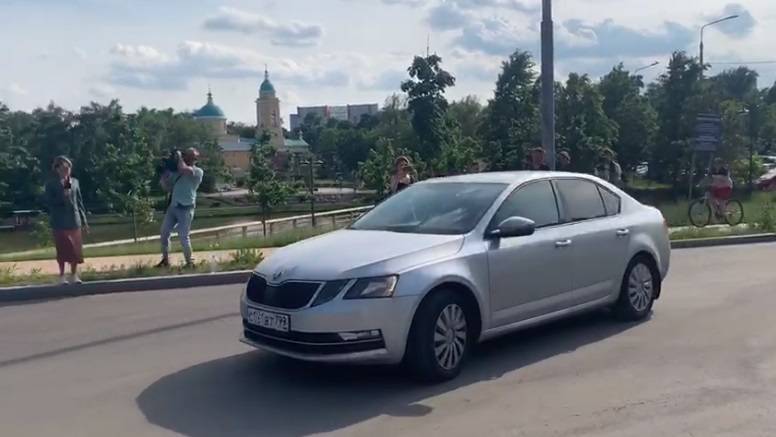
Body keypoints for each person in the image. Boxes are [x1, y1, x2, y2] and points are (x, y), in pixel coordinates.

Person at [44, 156, 88, 285]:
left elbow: (79, 202)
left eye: (68, 168)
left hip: (74, 220)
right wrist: (62, 196)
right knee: (63, 248)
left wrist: (84, 221)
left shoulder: (74, 182)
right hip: (59, 221)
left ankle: (74, 275)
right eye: (63, 168)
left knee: (75, 249)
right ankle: (62, 276)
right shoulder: (51, 184)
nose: (66, 170)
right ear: (57, 169)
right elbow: (48, 202)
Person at [157, 148, 204, 268]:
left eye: (189, 156)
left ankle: (190, 262)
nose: (186, 158)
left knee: (183, 236)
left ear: (194, 159)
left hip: (186, 208)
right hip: (173, 206)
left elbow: (184, 169)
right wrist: (162, 176)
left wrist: (179, 157)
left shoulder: (197, 171)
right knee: (164, 233)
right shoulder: (177, 173)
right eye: (185, 155)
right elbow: (167, 188)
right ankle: (165, 260)